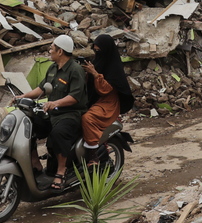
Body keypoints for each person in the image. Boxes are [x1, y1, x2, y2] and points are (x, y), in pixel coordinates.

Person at [14, 34, 87, 188]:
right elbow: (42, 88)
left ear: (60, 51)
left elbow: (75, 96)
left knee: (58, 133)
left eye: (52, 48)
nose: (50, 50)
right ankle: (35, 163)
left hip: (70, 114)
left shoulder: (75, 70)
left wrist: (56, 103)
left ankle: (61, 171)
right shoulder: (52, 68)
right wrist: (23, 96)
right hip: (52, 113)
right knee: (29, 125)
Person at [80, 34, 134, 163]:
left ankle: (92, 154)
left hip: (108, 103)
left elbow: (106, 90)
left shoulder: (114, 67)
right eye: (95, 50)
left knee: (87, 119)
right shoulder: (97, 62)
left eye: (99, 50)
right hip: (94, 100)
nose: (97, 53)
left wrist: (94, 74)